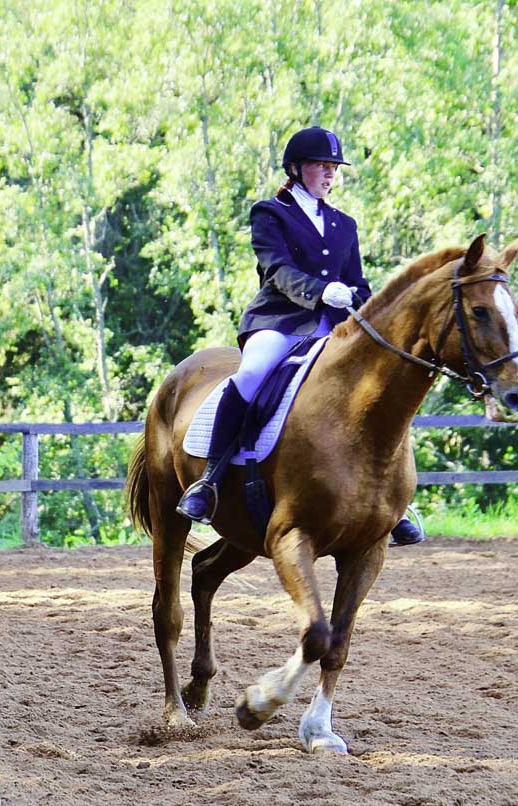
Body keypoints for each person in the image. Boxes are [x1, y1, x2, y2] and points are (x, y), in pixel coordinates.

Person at [176, 125, 426, 547]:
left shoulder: (344, 224)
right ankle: (210, 479)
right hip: (279, 322)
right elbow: (277, 270)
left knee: (381, 387)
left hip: (334, 327)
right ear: (296, 169)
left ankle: (392, 502)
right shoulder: (271, 213)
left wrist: (361, 304)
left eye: (333, 167)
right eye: (320, 166)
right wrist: (318, 291)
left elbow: (357, 283)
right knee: (252, 375)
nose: (329, 174)